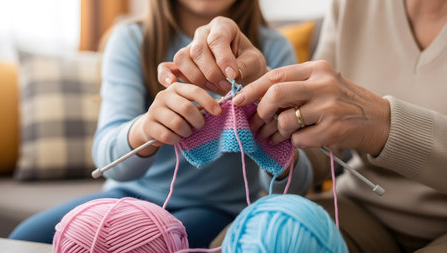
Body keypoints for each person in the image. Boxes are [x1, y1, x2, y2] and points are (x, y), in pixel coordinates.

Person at [9, 0, 313, 248]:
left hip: (220, 208)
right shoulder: (130, 39)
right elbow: (106, 158)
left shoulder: (272, 50)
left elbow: (295, 185)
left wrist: (277, 141)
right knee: (23, 240)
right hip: (125, 196)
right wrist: (146, 129)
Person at [158, 0, 447, 252]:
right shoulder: (351, 4)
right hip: (362, 210)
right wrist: (270, 107)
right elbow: (322, 146)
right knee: (241, 242)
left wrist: (384, 125)